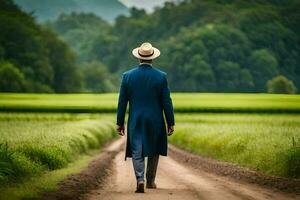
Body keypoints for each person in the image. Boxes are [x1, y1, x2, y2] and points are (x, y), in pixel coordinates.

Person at [116, 42, 175, 193]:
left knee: (137, 150)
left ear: (139, 58)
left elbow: (122, 101)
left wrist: (120, 123)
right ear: (152, 59)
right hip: (155, 119)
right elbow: (166, 101)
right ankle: (150, 181)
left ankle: (140, 179)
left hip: (136, 119)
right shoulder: (161, 77)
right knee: (154, 149)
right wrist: (170, 122)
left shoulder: (127, 76)